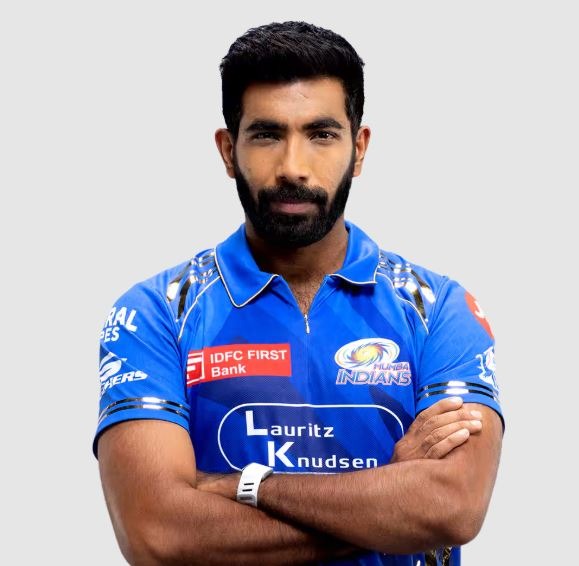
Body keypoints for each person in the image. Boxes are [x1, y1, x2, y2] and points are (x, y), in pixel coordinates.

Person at [94, 21, 503, 566]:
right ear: (228, 151)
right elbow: (158, 534)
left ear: (359, 149)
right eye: (267, 135)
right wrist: (390, 497)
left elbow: (452, 508)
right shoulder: (156, 314)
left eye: (321, 134)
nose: (293, 167)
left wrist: (250, 486)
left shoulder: (439, 308)